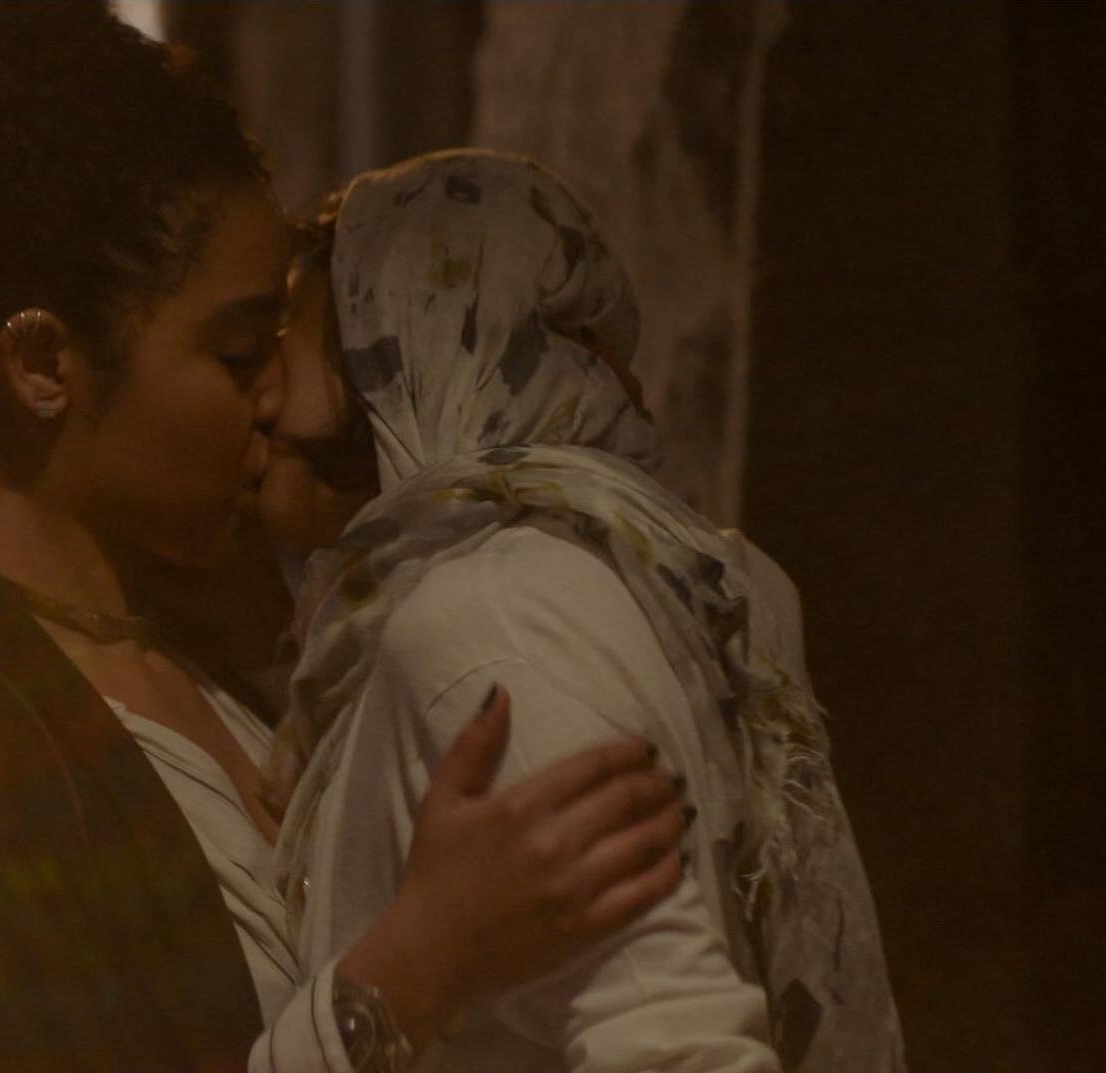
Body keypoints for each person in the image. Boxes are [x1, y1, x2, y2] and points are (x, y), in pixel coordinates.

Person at [0, 8, 691, 1073]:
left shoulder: (224, 633)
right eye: (237, 353)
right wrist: (414, 968)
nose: (278, 394)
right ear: (42, 365)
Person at [257, 149, 906, 1073]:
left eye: (282, 335)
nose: (259, 393)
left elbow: (675, 1046)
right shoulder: (596, 570)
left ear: (412, 333)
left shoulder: (496, 615)